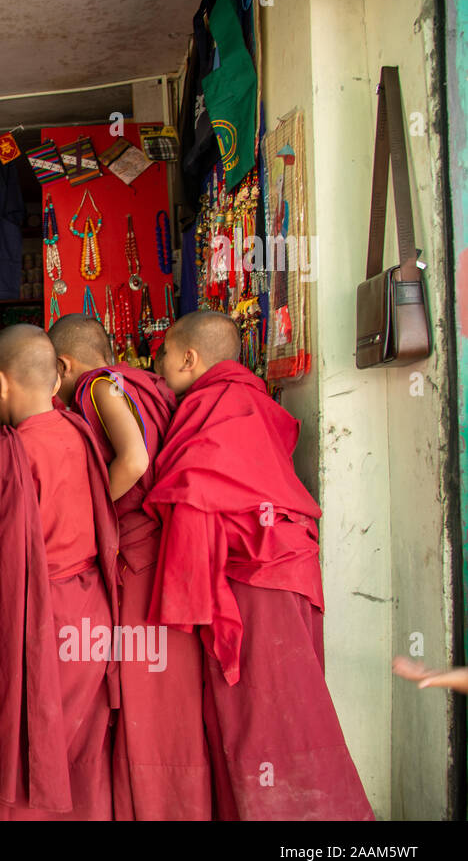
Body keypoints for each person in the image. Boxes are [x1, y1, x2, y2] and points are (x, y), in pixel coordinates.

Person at [147, 310, 373, 820]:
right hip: (288, 568)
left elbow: (196, 492)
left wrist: (183, 592)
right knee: (286, 708)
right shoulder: (253, 399)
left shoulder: (211, 404)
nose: (159, 366)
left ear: (189, 357)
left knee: (266, 720)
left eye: (163, 354)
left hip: (255, 580)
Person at [48, 313, 210, 820]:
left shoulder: (99, 386)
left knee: (148, 695)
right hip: (162, 550)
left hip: (139, 553)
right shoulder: (145, 384)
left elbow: (135, 460)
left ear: (63, 364)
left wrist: (94, 518)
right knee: (165, 696)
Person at [0, 325, 119, 820]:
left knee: (20, 746)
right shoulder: (81, 433)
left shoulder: (1, 457)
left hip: (33, 619)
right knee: (78, 754)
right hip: (90, 615)